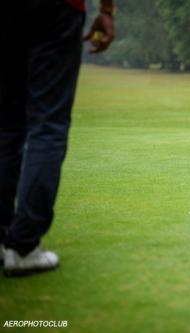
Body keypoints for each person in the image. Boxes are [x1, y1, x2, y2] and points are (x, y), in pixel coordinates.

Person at [0, 0, 116, 277]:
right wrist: (107, 11)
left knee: (6, 124)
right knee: (48, 123)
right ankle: (23, 247)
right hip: (57, 8)